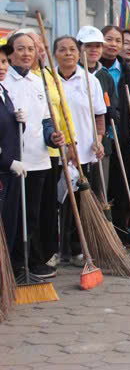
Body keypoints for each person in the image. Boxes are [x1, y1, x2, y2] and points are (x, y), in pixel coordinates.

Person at [3, 32, 64, 279]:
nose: (26, 53)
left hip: (39, 159)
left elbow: (46, 121)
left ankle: (33, 259)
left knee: (34, 213)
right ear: (10, 53)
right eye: (20, 49)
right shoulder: (4, 80)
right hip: (13, 161)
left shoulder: (40, 82)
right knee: (14, 214)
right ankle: (14, 263)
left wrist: (52, 137)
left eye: (30, 49)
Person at [53, 35, 107, 265]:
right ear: (54, 53)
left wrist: (99, 139)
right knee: (55, 203)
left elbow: (99, 115)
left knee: (81, 201)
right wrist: (65, 146)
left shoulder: (89, 80)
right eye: (62, 49)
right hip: (56, 153)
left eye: (72, 49)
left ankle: (77, 249)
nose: (68, 53)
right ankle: (53, 250)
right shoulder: (47, 80)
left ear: (79, 53)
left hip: (84, 151)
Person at [101, 25, 130, 244]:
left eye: (118, 40)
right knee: (101, 187)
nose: (114, 44)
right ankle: (100, 233)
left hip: (123, 135)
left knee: (122, 184)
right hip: (100, 137)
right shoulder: (92, 70)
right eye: (110, 39)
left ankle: (119, 230)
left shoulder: (128, 71)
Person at [77, 26, 117, 211]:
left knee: (101, 192)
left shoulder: (104, 76)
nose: (94, 50)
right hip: (75, 143)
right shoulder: (71, 74)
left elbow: (112, 110)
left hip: (100, 143)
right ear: (80, 48)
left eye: (97, 46)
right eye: (88, 46)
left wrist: (100, 138)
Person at [0, 43, 23, 260]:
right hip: (3, 169)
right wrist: (7, 162)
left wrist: (19, 124)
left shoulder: (4, 91)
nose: (2, 66)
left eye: (4, 61)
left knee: (9, 226)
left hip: (10, 172)